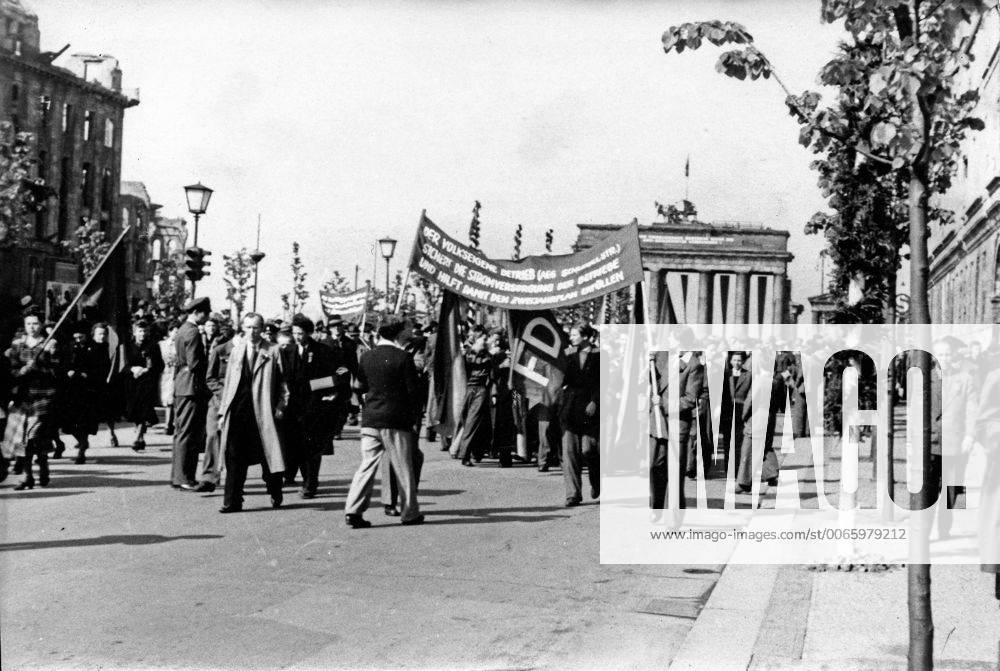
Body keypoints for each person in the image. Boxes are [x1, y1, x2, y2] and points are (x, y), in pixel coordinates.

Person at [343, 315, 424, 528]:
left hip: (370, 418)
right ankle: (410, 512)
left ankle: (353, 509)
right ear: (398, 333)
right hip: (396, 420)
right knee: (403, 467)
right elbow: (413, 392)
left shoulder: (366, 356)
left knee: (367, 465)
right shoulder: (403, 358)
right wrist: (414, 418)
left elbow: (360, 386)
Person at [218, 313, 289, 512]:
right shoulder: (236, 351)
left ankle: (275, 491)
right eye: (248, 327)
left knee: (268, 456)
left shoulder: (273, 350)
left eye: (256, 327)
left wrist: (281, 407)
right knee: (234, 457)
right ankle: (232, 500)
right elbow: (229, 385)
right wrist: (223, 412)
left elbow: (284, 383)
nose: (251, 332)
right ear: (242, 328)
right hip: (238, 412)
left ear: (262, 329)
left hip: (263, 413)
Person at [288, 313, 350, 498]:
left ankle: (310, 483)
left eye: (300, 333)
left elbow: (342, 372)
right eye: (294, 333)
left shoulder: (324, 351)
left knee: (313, 447)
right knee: (298, 447)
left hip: (316, 407)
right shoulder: (288, 351)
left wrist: (319, 386)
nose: (297, 336)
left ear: (309, 332)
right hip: (294, 407)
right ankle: (307, 479)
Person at [1, 308, 60, 490]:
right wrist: (21, 371)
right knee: (20, 439)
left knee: (34, 437)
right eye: (28, 324)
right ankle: (27, 475)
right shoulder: (17, 345)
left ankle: (43, 466)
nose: (32, 327)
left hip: (43, 397)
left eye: (35, 323)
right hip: (22, 397)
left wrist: (39, 369)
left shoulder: (49, 344)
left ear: (41, 325)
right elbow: (9, 370)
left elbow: (57, 371)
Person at [172, 297, 211, 490]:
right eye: (206, 312)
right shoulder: (193, 332)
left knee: (183, 432)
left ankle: (180, 475)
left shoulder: (182, 329)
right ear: (197, 312)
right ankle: (184, 477)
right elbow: (195, 363)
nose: (208, 316)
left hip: (182, 385)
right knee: (189, 433)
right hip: (192, 387)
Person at [560, 323, 600, 507]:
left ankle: (597, 478)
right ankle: (573, 494)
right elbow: (560, 377)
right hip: (570, 409)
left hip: (590, 409)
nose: (571, 338)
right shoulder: (568, 355)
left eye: (574, 334)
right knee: (569, 452)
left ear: (584, 336)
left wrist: (595, 401)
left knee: (588, 450)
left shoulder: (599, 354)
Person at [114, 319, 165, 452]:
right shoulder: (127, 346)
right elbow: (122, 365)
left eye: (144, 331)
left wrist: (147, 370)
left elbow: (160, 365)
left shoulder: (153, 346)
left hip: (147, 382)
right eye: (140, 331)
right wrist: (132, 369)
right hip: (131, 383)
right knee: (133, 411)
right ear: (134, 332)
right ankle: (141, 436)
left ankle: (137, 438)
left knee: (144, 409)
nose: (142, 334)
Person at [197, 319, 235, 492]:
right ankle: (209, 478)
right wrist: (224, 395)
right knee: (212, 435)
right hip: (218, 402)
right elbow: (210, 379)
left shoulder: (249, 353)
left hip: (239, 403)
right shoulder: (219, 352)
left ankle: (234, 478)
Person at [61, 322, 99, 463]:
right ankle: (81, 441)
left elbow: (98, 367)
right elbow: (64, 364)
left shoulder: (94, 348)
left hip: (87, 391)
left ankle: (82, 447)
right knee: (70, 422)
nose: (78, 340)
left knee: (84, 422)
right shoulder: (70, 347)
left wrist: (87, 374)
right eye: (75, 337)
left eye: (81, 337)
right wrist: (68, 371)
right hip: (71, 391)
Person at [455, 325, 493, 467]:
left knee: (472, 421)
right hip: (468, 389)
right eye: (483, 338)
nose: (485, 340)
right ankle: (469, 451)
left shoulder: (487, 356)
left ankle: (465, 454)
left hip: (480, 390)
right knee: (466, 420)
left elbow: (490, 369)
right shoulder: (468, 354)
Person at [89, 323, 120, 447]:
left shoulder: (109, 348)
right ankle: (83, 439)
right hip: (91, 384)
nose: (102, 336)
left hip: (106, 383)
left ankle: (111, 433)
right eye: (99, 334)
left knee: (108, 412)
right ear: (93, 335)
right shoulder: (89, 347)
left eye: (104, 334)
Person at [159, 321, 179, 436]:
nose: (176, 334)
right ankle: (168, 423)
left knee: (172, 399)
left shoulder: (179, 344)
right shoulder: (162, 344)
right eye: (175, 331)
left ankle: (170, 424)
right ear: (170, 332)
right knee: (167, 400)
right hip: (165, 373)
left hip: (175, 373)